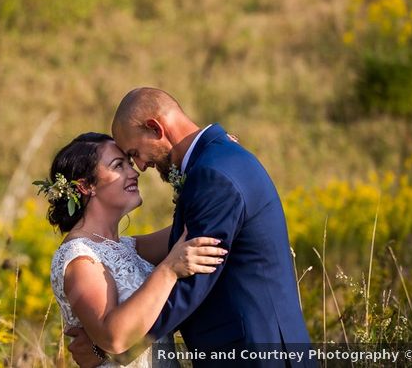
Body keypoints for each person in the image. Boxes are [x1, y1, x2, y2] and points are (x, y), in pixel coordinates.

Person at [66, 88, 314, 367]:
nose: (140, 166)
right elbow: (174, 246)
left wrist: (110, 348)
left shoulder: (213, 175)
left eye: (134, 153)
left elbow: (191, 281)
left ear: (155, 128)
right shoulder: (220, 159)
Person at [40, 132, 228, 368]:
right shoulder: (79, 258)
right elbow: (113, 338)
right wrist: (169, 270)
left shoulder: (130, 247)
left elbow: (198, 230)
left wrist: (218, 154)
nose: (134, 173)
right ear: (86, 186)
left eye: (129, 164)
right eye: (119, 166)